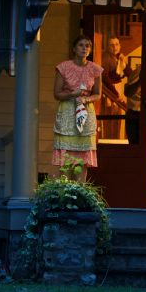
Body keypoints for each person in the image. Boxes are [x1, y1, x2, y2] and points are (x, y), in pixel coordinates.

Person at [53, 35, 104, 182]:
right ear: (74, 49)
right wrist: (72, 94)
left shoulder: (95, 69)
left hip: (85, 112)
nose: (85, 48)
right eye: (81, 45)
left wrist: (87, 98)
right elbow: (57, 94)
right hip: (68, 112)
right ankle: (65, 193)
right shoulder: (63, 67)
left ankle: (80, 193)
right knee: (66, 160)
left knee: (82, 159)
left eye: (88, 46)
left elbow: (97, 94)